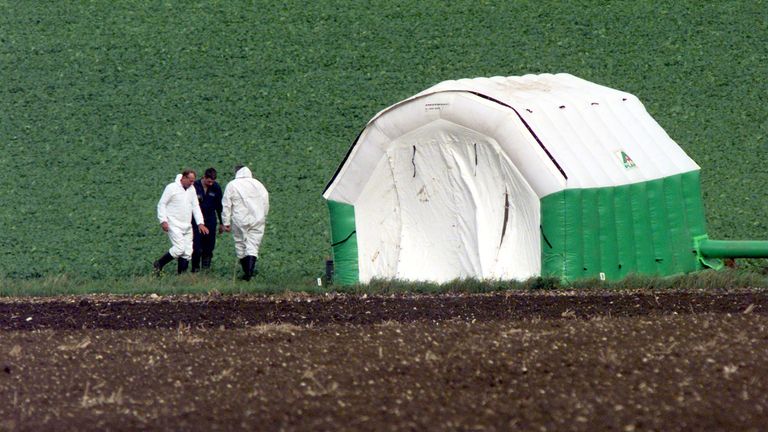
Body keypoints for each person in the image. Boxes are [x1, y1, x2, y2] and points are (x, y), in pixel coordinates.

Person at [153, 169, 209, 274]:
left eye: (193, 181)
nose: (192, 183)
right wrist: (163, 220)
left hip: (187, 225)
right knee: (179, 248)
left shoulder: (192, 189)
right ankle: (159, 263)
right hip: (173, 223)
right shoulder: (171, 188)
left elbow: (195, 206)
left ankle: (181, 276)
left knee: (187, 252)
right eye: (190, 181)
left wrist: (200, 223)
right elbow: (162, 204)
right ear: (183, 178)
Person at [222, 165, 269, 281]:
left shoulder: (232, 185)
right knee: (253, 246)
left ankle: (246, 273)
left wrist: (226, 222)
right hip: (257, 219)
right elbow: (265, 201)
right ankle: (249, 274)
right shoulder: (258, 184)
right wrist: (264, 215)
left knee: (240, 244)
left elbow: (226, 204)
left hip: (239, 219)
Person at [191, 167, 223, 272]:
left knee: (209, 246)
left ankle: (205, 270)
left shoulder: (216, 188)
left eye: (212, 182)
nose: (210, 184)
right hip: (196, 221)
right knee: (197, 246)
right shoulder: (194, 186)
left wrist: (222, 223)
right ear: (204, 177)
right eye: (209, 181)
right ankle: (195, 269)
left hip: (210, 220)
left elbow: (219, 207)